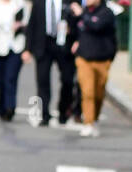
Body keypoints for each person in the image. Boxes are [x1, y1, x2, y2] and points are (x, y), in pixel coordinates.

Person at [25, 0, 82, 126]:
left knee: (67, 80)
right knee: (43, 81)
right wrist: (27, 49)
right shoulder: (39, 2)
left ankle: (63, 111)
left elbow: (79, 23)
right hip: (43, 45)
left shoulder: (70, 2)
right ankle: (44, 114)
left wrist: (71, 30)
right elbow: (32, 24)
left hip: (64, 45)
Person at [72, 0, 118, 136]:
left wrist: (81, 15)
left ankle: (94, 118)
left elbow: (96, 26)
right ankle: (88, 122)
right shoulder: (84, 12)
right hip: (84, 58)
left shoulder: (107, 13)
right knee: (87, 92)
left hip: (102, 59)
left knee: (98, 93)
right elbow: (76, 29)